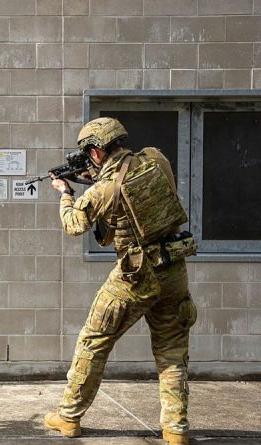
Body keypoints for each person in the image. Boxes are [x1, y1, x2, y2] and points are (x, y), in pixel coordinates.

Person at [43, 118, 197, 445]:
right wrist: (97, 177)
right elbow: (136, 189)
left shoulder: (104, 188)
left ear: (96, 151)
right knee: (172, 351)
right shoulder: (156, 159)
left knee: (93, 342)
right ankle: (176, 430)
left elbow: (74, 224)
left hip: (135, 274)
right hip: (173, 268)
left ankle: (69, 417)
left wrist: (66, 193)